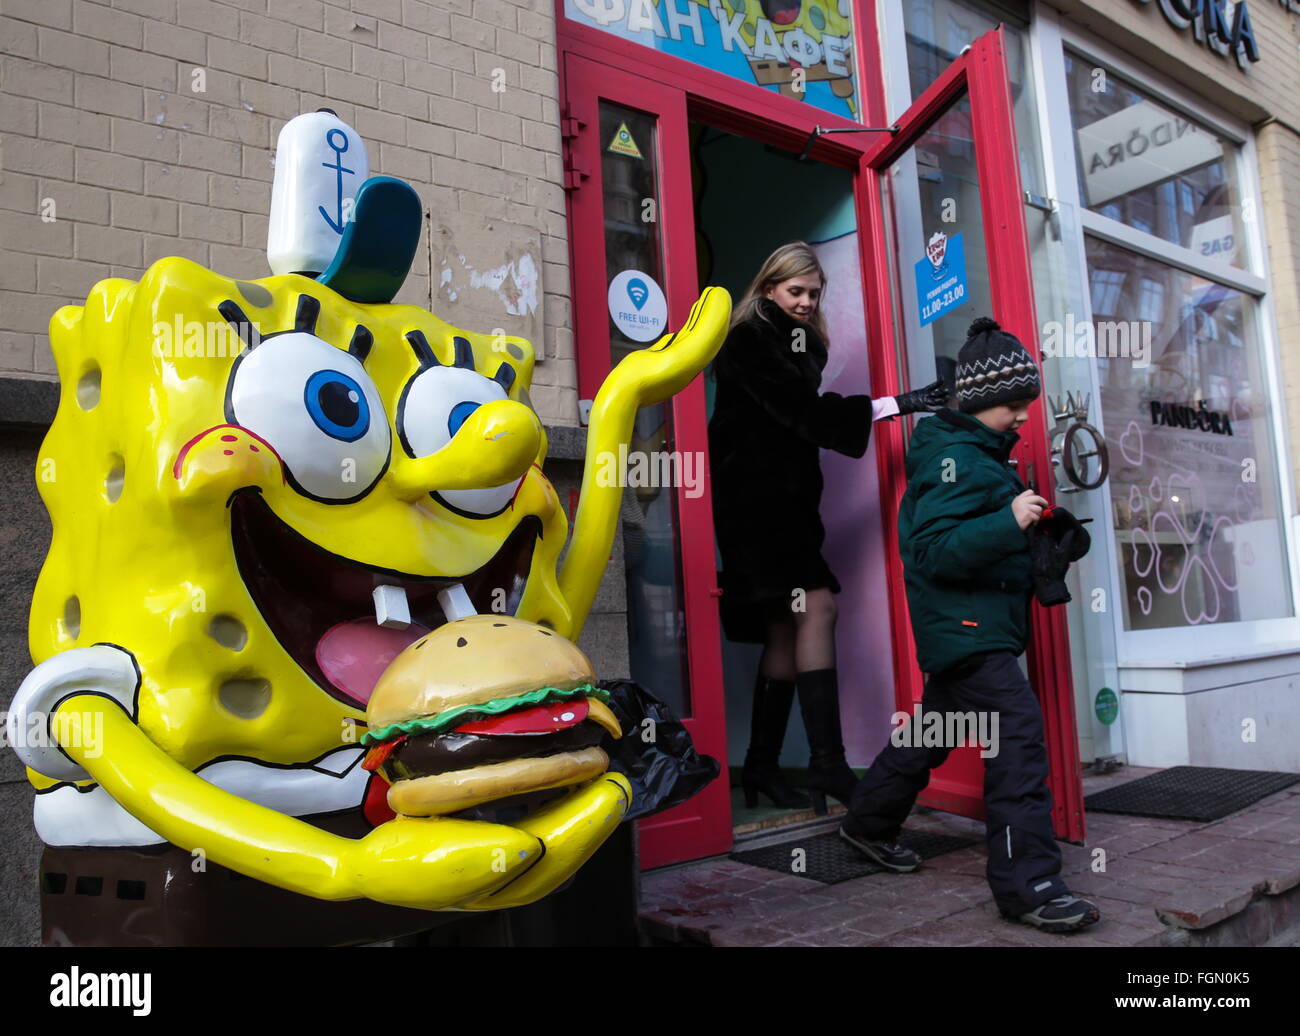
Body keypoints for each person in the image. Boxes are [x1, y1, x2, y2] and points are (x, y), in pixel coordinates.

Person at [838, 316, 1101, 934]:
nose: (1024, 418)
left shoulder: (979, 457)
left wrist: (1043, 536)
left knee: (937, 727)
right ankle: (1029, 884)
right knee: (1017, 736)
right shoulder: (957, 459)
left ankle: (867, 822)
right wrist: (1008, 521)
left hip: (970, 629)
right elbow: (931, 552)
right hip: (966, 629)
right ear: (981, 404)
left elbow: (973, 543)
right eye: (1014, 405)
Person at [708, 241, 946, 815]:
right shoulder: (748, 339)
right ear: (768, 288)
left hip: (779, 506)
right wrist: (900, 403)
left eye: (814, 293)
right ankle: (829, 764)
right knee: (818, 609)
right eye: (796, 291)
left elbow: (798, 418)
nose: (807, 302)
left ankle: (763, 764)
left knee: (786, 628)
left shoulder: (791, 341)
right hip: (758, 508)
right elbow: (805, 416)